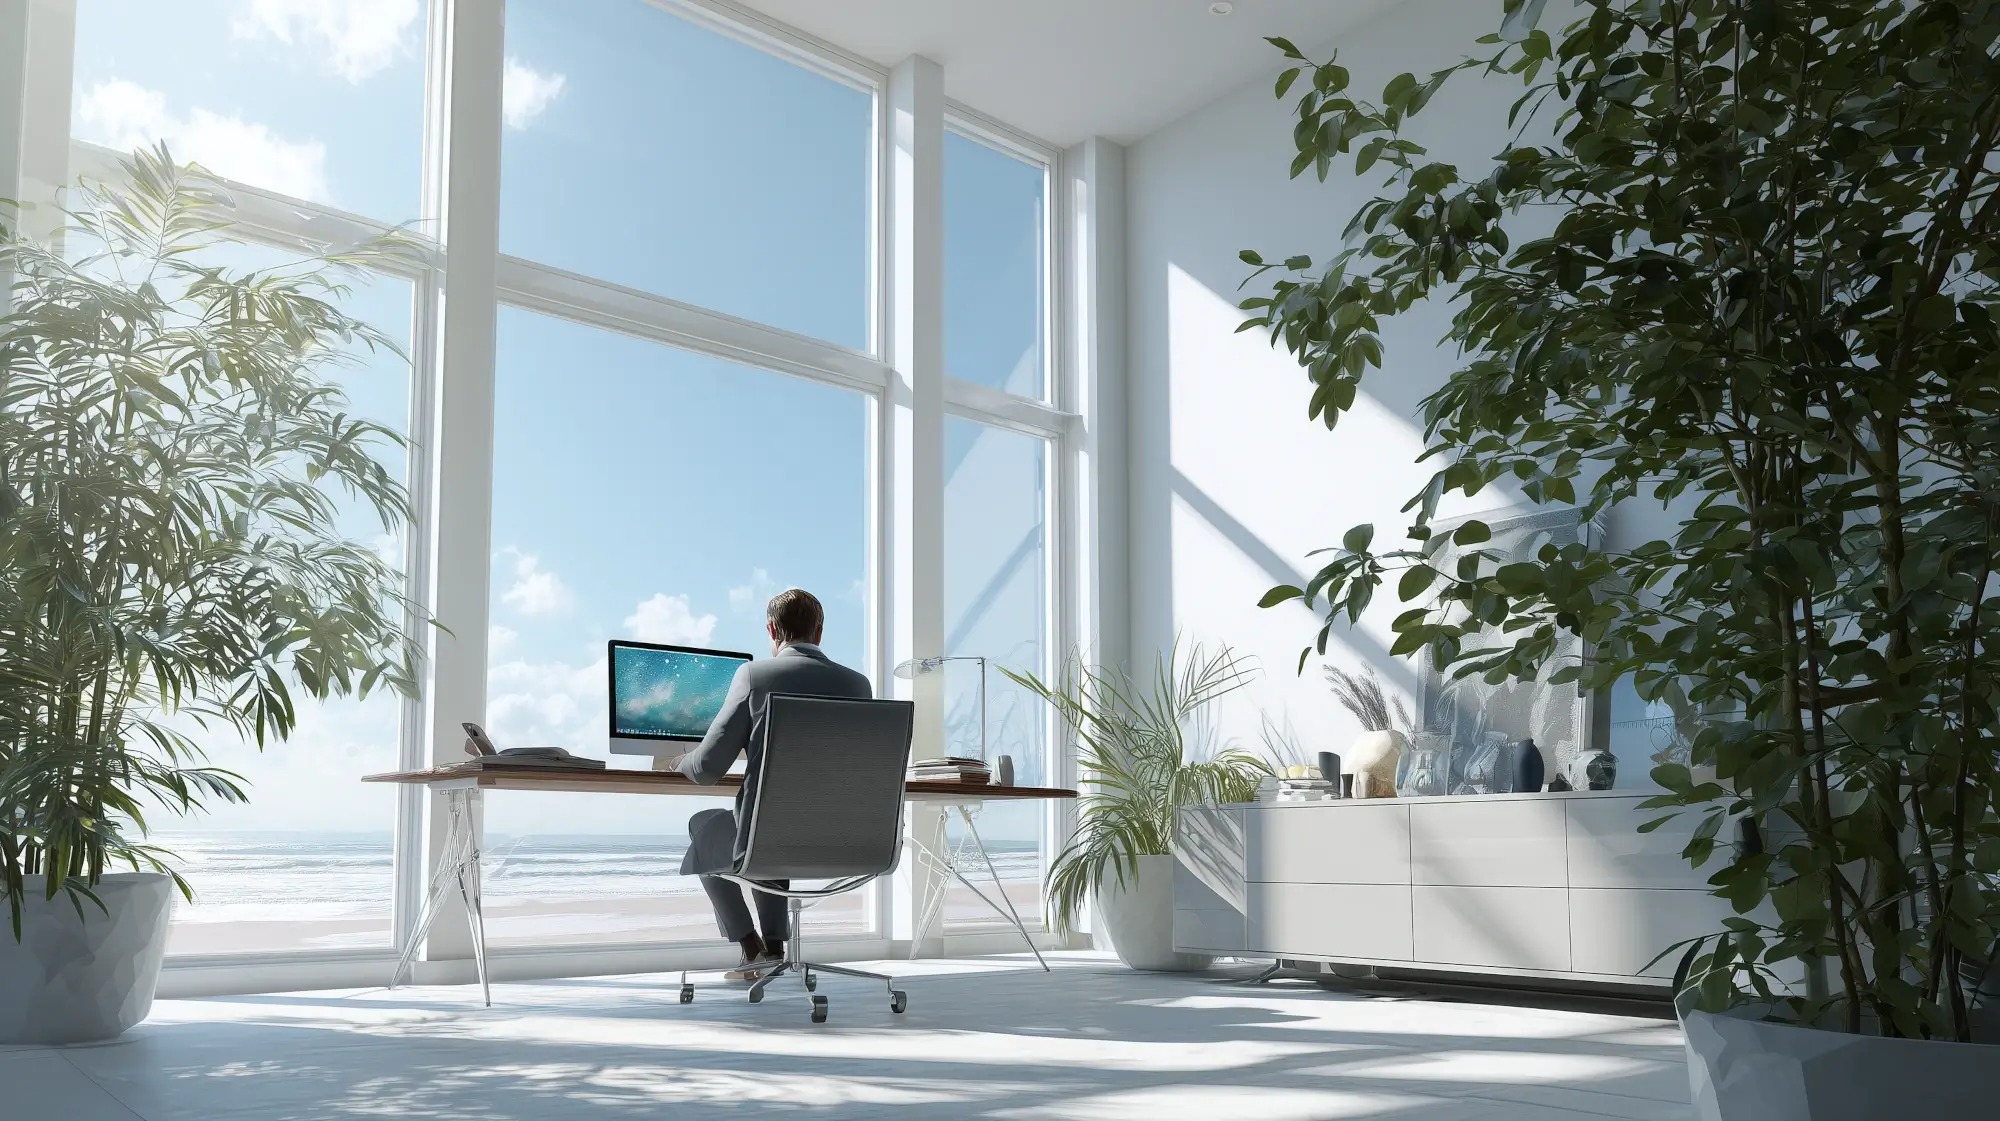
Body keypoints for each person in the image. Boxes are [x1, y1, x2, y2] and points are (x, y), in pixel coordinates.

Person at [672, 588, 870, 980]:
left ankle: (751, 948)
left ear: (771, 629)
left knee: (706, 825)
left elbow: (708, 768)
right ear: (820, 631)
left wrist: (678, 761)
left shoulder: (754, 675)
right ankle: (775, 948)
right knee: (773, 823)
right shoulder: (859, 686)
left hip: (771, 839)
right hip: (848, 843)